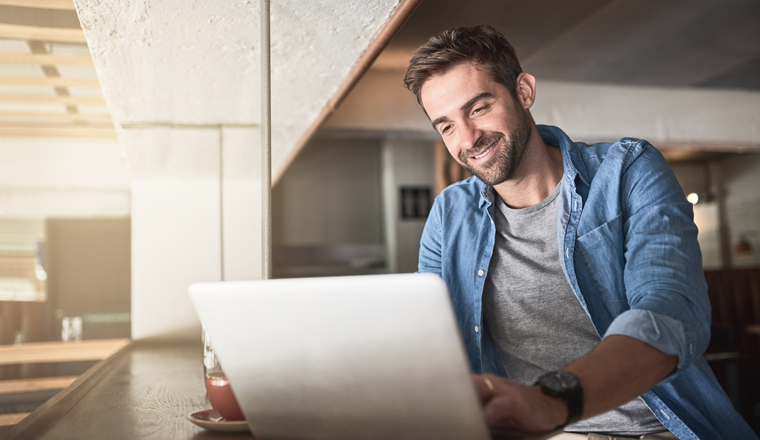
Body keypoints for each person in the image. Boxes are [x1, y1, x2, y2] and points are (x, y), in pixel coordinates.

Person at [404, 25, 758, 440]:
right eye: (446, 126)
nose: (467, 138)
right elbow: (427, 337)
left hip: (659, 429)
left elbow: (671, 312)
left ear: (523, 91)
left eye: (479, 108)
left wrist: (551, 401)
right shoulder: (449, 215)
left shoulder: (628, 171)